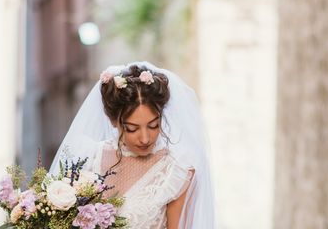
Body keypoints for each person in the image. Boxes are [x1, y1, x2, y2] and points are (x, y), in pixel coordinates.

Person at [50, 61, 215, 229]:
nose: (145, 138)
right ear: (114, 121)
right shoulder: (88, 157)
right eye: (132, 128)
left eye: (153, 125)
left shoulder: (177, 171)